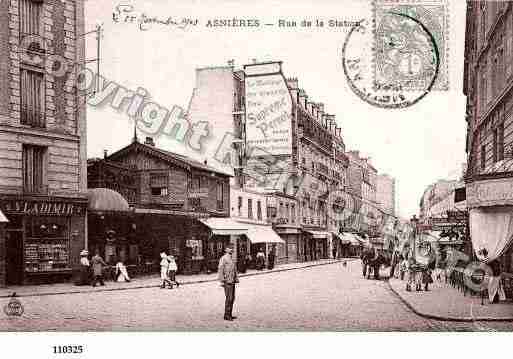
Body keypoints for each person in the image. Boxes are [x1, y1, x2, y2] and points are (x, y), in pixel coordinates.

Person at [218, 246, 239, 321]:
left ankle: (229, 314)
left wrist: (236, 279)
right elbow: (220, 269)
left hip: (232, 280)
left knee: (232, 298)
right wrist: (222, 280)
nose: (231, 249)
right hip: (227, 281)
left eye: (232, 248)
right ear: (226, 250)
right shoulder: (223, 258)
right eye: (230, 248)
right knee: (229, 298)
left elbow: (234, 269)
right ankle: (226, 315)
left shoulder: (232, 258)